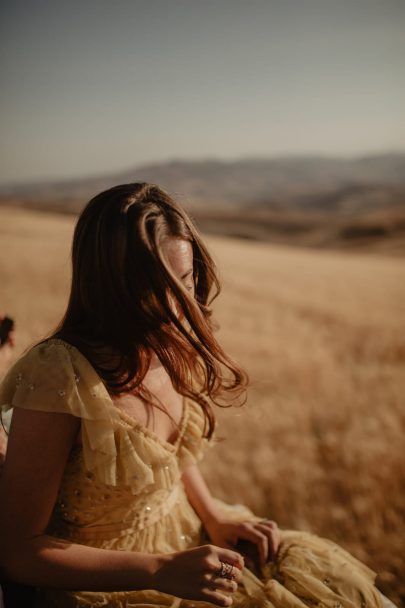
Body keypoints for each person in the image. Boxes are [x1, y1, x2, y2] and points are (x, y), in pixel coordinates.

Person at [0, 183, 394, 608]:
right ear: (107, 284)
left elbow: (165, 462)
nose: (175, 310)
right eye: (151, 289)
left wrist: (215, 517)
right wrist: (161, 569)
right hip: (113, 581)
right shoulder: (58, 374)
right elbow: (19, 553)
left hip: (189, 536)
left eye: (184, 282)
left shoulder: (171, 346)